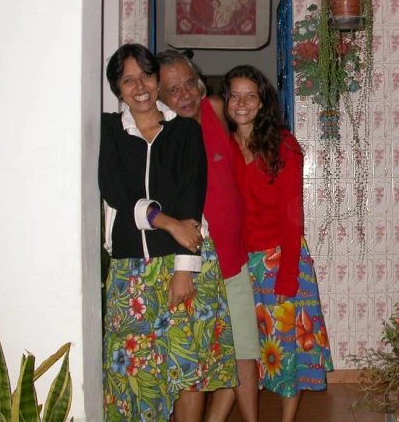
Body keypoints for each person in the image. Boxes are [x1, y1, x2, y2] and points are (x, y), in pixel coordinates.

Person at [99, 44, 237, 422]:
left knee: (186, 371)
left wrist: (184, 268)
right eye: (128, 80)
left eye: (146, 76)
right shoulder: (109, 130)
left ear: (157, 81)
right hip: (131, 272)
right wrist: (167, 222)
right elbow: (117, 193)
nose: (139, 86)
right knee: (135, 374)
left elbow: (191, 202)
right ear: (117, 87)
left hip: (183, 262)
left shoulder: (185, 132)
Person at [221, 65, 333, 422]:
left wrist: (287, 277)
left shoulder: (284, 145)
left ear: (263, 101)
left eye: (250, 95)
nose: (242, 103)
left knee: (288, 351)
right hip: (240, 264)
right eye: (234, 95)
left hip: (282, 258)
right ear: (226, 101)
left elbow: (292, 216)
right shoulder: (223, 148)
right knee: (244, 350)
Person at [156, 49, 260, 422]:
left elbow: (251, 110)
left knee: (245, 351)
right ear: (159, 97)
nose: (185, 95)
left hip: (233, 257)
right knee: (196, 358)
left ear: (200, 85)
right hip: (193, 261)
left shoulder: (215, 109)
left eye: (189, 84)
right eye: (173, 90)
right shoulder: (162, 136)